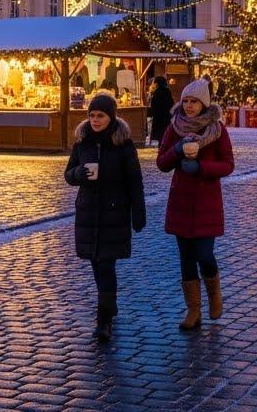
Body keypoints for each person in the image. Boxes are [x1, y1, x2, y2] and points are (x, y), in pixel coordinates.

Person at [64, 92, 146, 342]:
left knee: (106, 265)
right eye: (91, 115)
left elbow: (135, 181)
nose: (95, 120)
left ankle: (104, 319)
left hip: (114, 212)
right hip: (88, 213)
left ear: (111, 117)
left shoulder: (123, 144)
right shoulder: (83, 141)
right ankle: (109, 305)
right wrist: (80, 173)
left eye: (100, 116)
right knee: (95, 264)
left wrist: (138, 213)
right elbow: (68, 174)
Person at [157, 78, 235, 331]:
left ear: (204, 104)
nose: (189, 106)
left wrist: (201, 167)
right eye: (186, 101)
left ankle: (214, 293)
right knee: (186, 259)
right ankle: (193, 310)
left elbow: (228, 164)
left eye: (194, 102)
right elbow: (162, 162)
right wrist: (178, 150)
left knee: (205, 255)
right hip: (181, 201)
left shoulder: (217, 130)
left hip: (206, 202)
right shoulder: (174, 128)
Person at [148, 76, 174, 146]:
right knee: (166, 138)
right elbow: (171, 105)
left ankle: (161, 152)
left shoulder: (156, 93)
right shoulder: (168, 92)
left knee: (161, 139)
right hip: (168, 119)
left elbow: (154, 108)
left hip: (159, 120)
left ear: (157, 83)